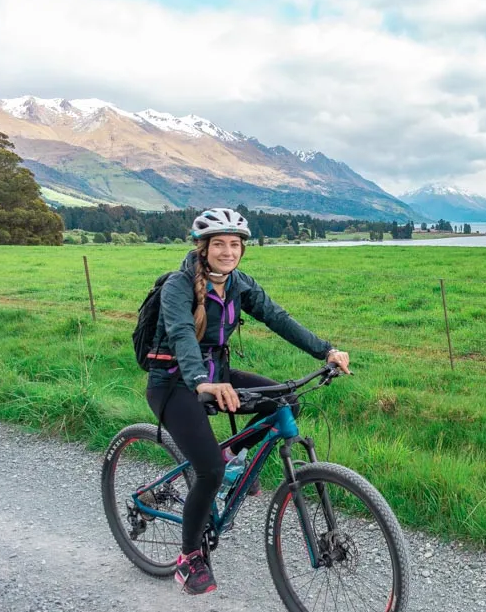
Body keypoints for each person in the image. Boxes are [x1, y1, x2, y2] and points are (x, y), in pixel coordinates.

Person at [145, 207, 349, 595]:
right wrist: (202, 382)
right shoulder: (178, 285)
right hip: (173, 382)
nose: (227, 251)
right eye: (218, 244)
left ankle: (237, 463)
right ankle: (189, 558)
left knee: (285, 403)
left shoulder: (240, 284)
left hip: (216, 375)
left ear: (242, 248)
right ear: (203, 248)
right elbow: (183, 335)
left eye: (234, 244)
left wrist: (326, 350)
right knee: (208, 472)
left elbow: (278, 318)